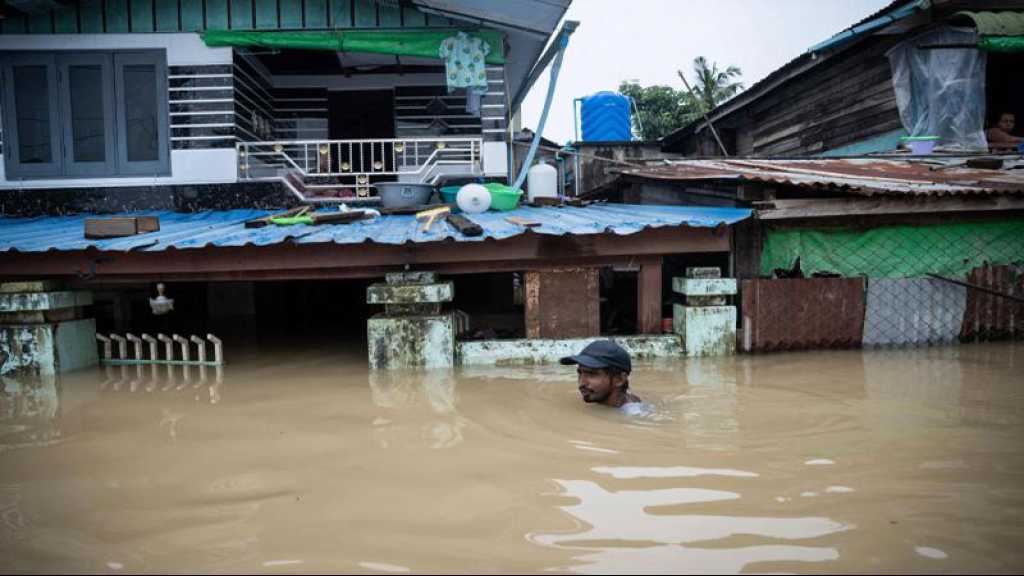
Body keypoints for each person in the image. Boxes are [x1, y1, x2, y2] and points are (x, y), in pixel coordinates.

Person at [561, 340, 645, 414]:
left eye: (591, 374)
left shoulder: (633, 415)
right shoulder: (598, 397)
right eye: (580, 373)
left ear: (619, 379)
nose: (581, 383)